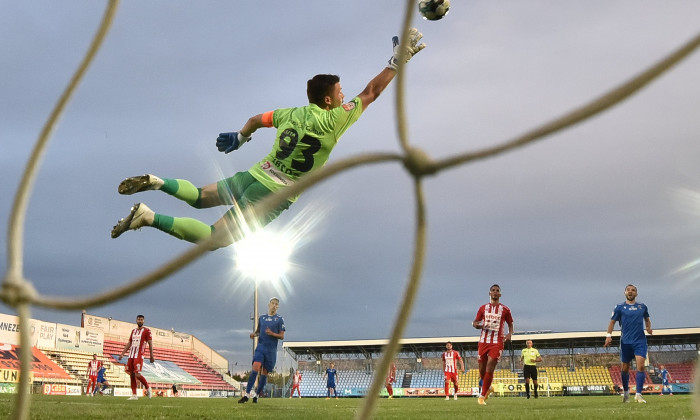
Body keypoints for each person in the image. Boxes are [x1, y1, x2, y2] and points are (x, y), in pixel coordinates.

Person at [110, 29, 426, 250]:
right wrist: (397, 61)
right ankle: (149, 217)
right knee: (213, 238)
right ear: (328, 101)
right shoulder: (335, 120)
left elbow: (254, 120)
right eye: (340, 92)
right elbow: (372, 92)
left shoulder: (289, 114)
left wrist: (241, 138)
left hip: (254, 175)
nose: (344, 95)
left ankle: (157, 181)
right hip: (272, 194)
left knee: (200, 197)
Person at [604, 284, 652, 404]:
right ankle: (626, 393)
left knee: (640, 366)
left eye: (633, 290)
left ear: (636, 293)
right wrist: (608, 336)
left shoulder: (642, 306)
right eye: (628, 290)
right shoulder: (619, 307)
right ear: (625, 292)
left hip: (640, 341)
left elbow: (647, 318)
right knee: (625, 368)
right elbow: (612, 322)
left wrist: (648, 327)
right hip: (625, 341)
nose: (630, 292)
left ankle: (638, 395)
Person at [472, 284, 514, 406]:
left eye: (497, 291)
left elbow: (511, 324)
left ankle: (482, 396)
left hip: (497, 342)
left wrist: (509, 334)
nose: (495, 292)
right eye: (493, 290)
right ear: (489, 293)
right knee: (481, 370)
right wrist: (476, 325)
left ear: (500, 294)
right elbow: (475, 321)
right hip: (483, 341)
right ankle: (488, 387)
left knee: (490, 366)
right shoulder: (483, 308)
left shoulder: (505, 309)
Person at [238, 297, 285, 404]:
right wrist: (254, 334)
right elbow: (258, 331)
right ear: (269, 304)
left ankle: (256, 395)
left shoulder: (279, 319)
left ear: (277, 307)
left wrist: (272, 334)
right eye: (272, 303)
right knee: (256, 366)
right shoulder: (262, 318)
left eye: (276, 304)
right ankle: (246, 394)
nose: (274, 305)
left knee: (264, 373)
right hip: (261, 347)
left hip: (271, 350)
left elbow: (282, 336)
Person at [119, 314, 155, 400]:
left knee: (137, 374)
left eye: (141, 319)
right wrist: (122, 353)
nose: (140, 321)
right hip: (131, 355)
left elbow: (150, 343)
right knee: (131, 374)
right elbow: (129, 343)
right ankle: (134, 395)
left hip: (139, 355)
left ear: (144, 321)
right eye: (138, 319)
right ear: (136, 320)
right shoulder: (133, 331)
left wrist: (151, 355)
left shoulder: (147, 331)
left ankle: (148, 387)